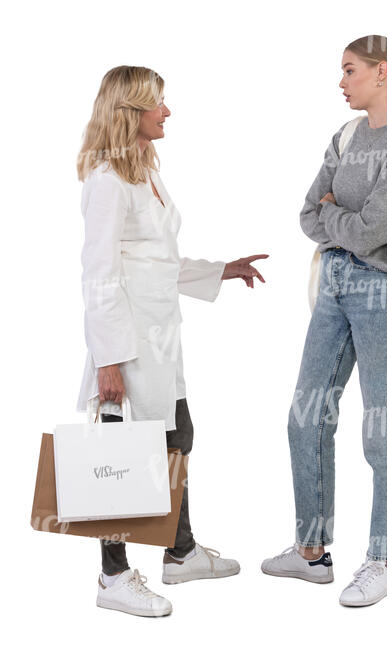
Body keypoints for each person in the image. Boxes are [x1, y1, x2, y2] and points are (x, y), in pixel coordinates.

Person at [76, 65, 268, 617]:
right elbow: (98, 273)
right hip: (127, 340)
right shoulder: (107, 179)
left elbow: (154, 264)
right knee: (122, 452)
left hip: (160, 336)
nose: (167, 111)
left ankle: (179, 553)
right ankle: (112, 575)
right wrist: (109, 359)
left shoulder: (146, 174)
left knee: (175, 435)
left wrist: (220, 270)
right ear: (131, 110)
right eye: (158, 103)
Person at [261, 35, 387, 607]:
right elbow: (309, 212)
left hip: (382, 290)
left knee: (381, 427)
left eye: (350, 70)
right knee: (305, 415)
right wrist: (342, 216)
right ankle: (312, 551)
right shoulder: (346, 135)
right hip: (334, 285)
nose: (341, 82)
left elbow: (372, 231)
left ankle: (383, 559)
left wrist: (340, 214)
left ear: (381, 72)